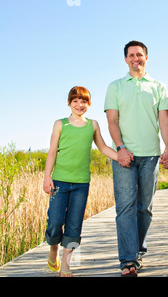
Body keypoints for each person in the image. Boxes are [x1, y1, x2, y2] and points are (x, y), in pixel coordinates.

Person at [104, 40, 168, 277]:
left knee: (145, 208)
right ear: (125, 59)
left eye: (140, 54)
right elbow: (112, 121)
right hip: (124, 156)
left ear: (146, 57)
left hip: (151, 156)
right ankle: (128, 260)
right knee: (125, 207)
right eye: (131, 55)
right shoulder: (115, 86)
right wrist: (120, 148)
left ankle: (138, 251)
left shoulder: (158, 87)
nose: (136, 58)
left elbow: (164, 121)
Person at [43, 86, 118, 277]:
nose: (79, 105)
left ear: (89, 104)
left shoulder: (92, 125)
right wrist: (47, 176)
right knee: (55, 221)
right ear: (69, 103)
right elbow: (52, 152)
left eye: (83, 101)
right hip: (59, 181)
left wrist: (120, 157)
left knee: (74, 224)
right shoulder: (60, 124)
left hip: (81, 184)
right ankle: (53, 247)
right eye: (75, 101)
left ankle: (66, 265)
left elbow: (102, 147)